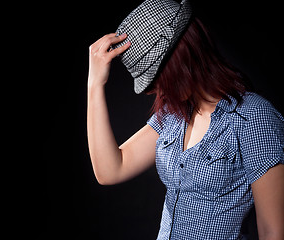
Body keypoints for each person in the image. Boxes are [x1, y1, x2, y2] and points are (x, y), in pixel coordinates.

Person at [87, 0, 284, 239]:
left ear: (181, 59)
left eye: (156, 78)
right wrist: (95, 85)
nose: (156, 91)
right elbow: (110, 170)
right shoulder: (173, 114)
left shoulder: (254, 117)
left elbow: (272, 231)